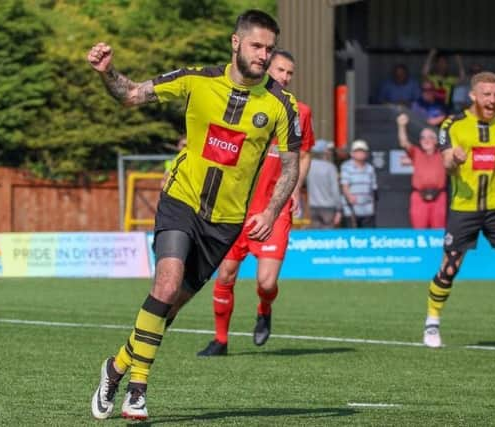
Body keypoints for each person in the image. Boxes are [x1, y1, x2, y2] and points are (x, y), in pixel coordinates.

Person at [87, 9, 301, 421]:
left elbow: (291, 166)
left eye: (269, 49)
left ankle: (115, 368)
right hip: (181, 201)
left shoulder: (280, 104)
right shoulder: (197, 80)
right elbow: (131, 94)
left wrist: (272, 211)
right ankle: (137, 390)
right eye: (257, 46)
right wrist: (107, 71)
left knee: (168, 310)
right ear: (236, 43)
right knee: (164, 287)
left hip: (224, 223)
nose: (263, 55)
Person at [196, 49, 314, 357]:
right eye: (280, 70)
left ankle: (265, 307)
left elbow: (305, 153)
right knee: (225, 275)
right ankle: (220, 340)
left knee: (266, 281)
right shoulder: (243, 104)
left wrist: (296, 189)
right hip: (237, 207)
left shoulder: (299, 111)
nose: (285, 77)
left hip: (274, 210)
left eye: (290, 72)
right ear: (266, 68)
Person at [422, 72, 495, 348]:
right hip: (465, 208)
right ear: (473, 95)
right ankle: (432, 323)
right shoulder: (454, 124)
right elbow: (446, 163)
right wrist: (454, 160)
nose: (492, 100)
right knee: (449, 268)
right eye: (487, 94)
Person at [396, 113, 447, 228]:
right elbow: (404, 143)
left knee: (438, 232)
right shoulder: (416, 153)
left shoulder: (442, 154)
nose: (426, 140)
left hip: (439, 196)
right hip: (419, 197)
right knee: (419, 232)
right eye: (423, 137)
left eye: (430, 137)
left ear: (436, 141)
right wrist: (401, 126)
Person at [340, 139, 377, 228]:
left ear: (366, 154)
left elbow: (373, 189)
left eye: (362, 151)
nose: (360, 153)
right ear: (352, 153)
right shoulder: (346, 167)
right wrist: (349, 196)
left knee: (367, 236)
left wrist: (373, 206)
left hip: (367, 210)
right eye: (357, 151)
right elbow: (344, 185)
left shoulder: (370, 169)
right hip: (351, 211)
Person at [307, 139, 342, 229]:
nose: (330, 152)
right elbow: (335, 190)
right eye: (328, 149)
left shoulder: (309, 166)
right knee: (328, 236)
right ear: (324, 151)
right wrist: (339, 209)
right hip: (328, 207)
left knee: (316, 237)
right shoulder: (330, 168)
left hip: (313, 206)